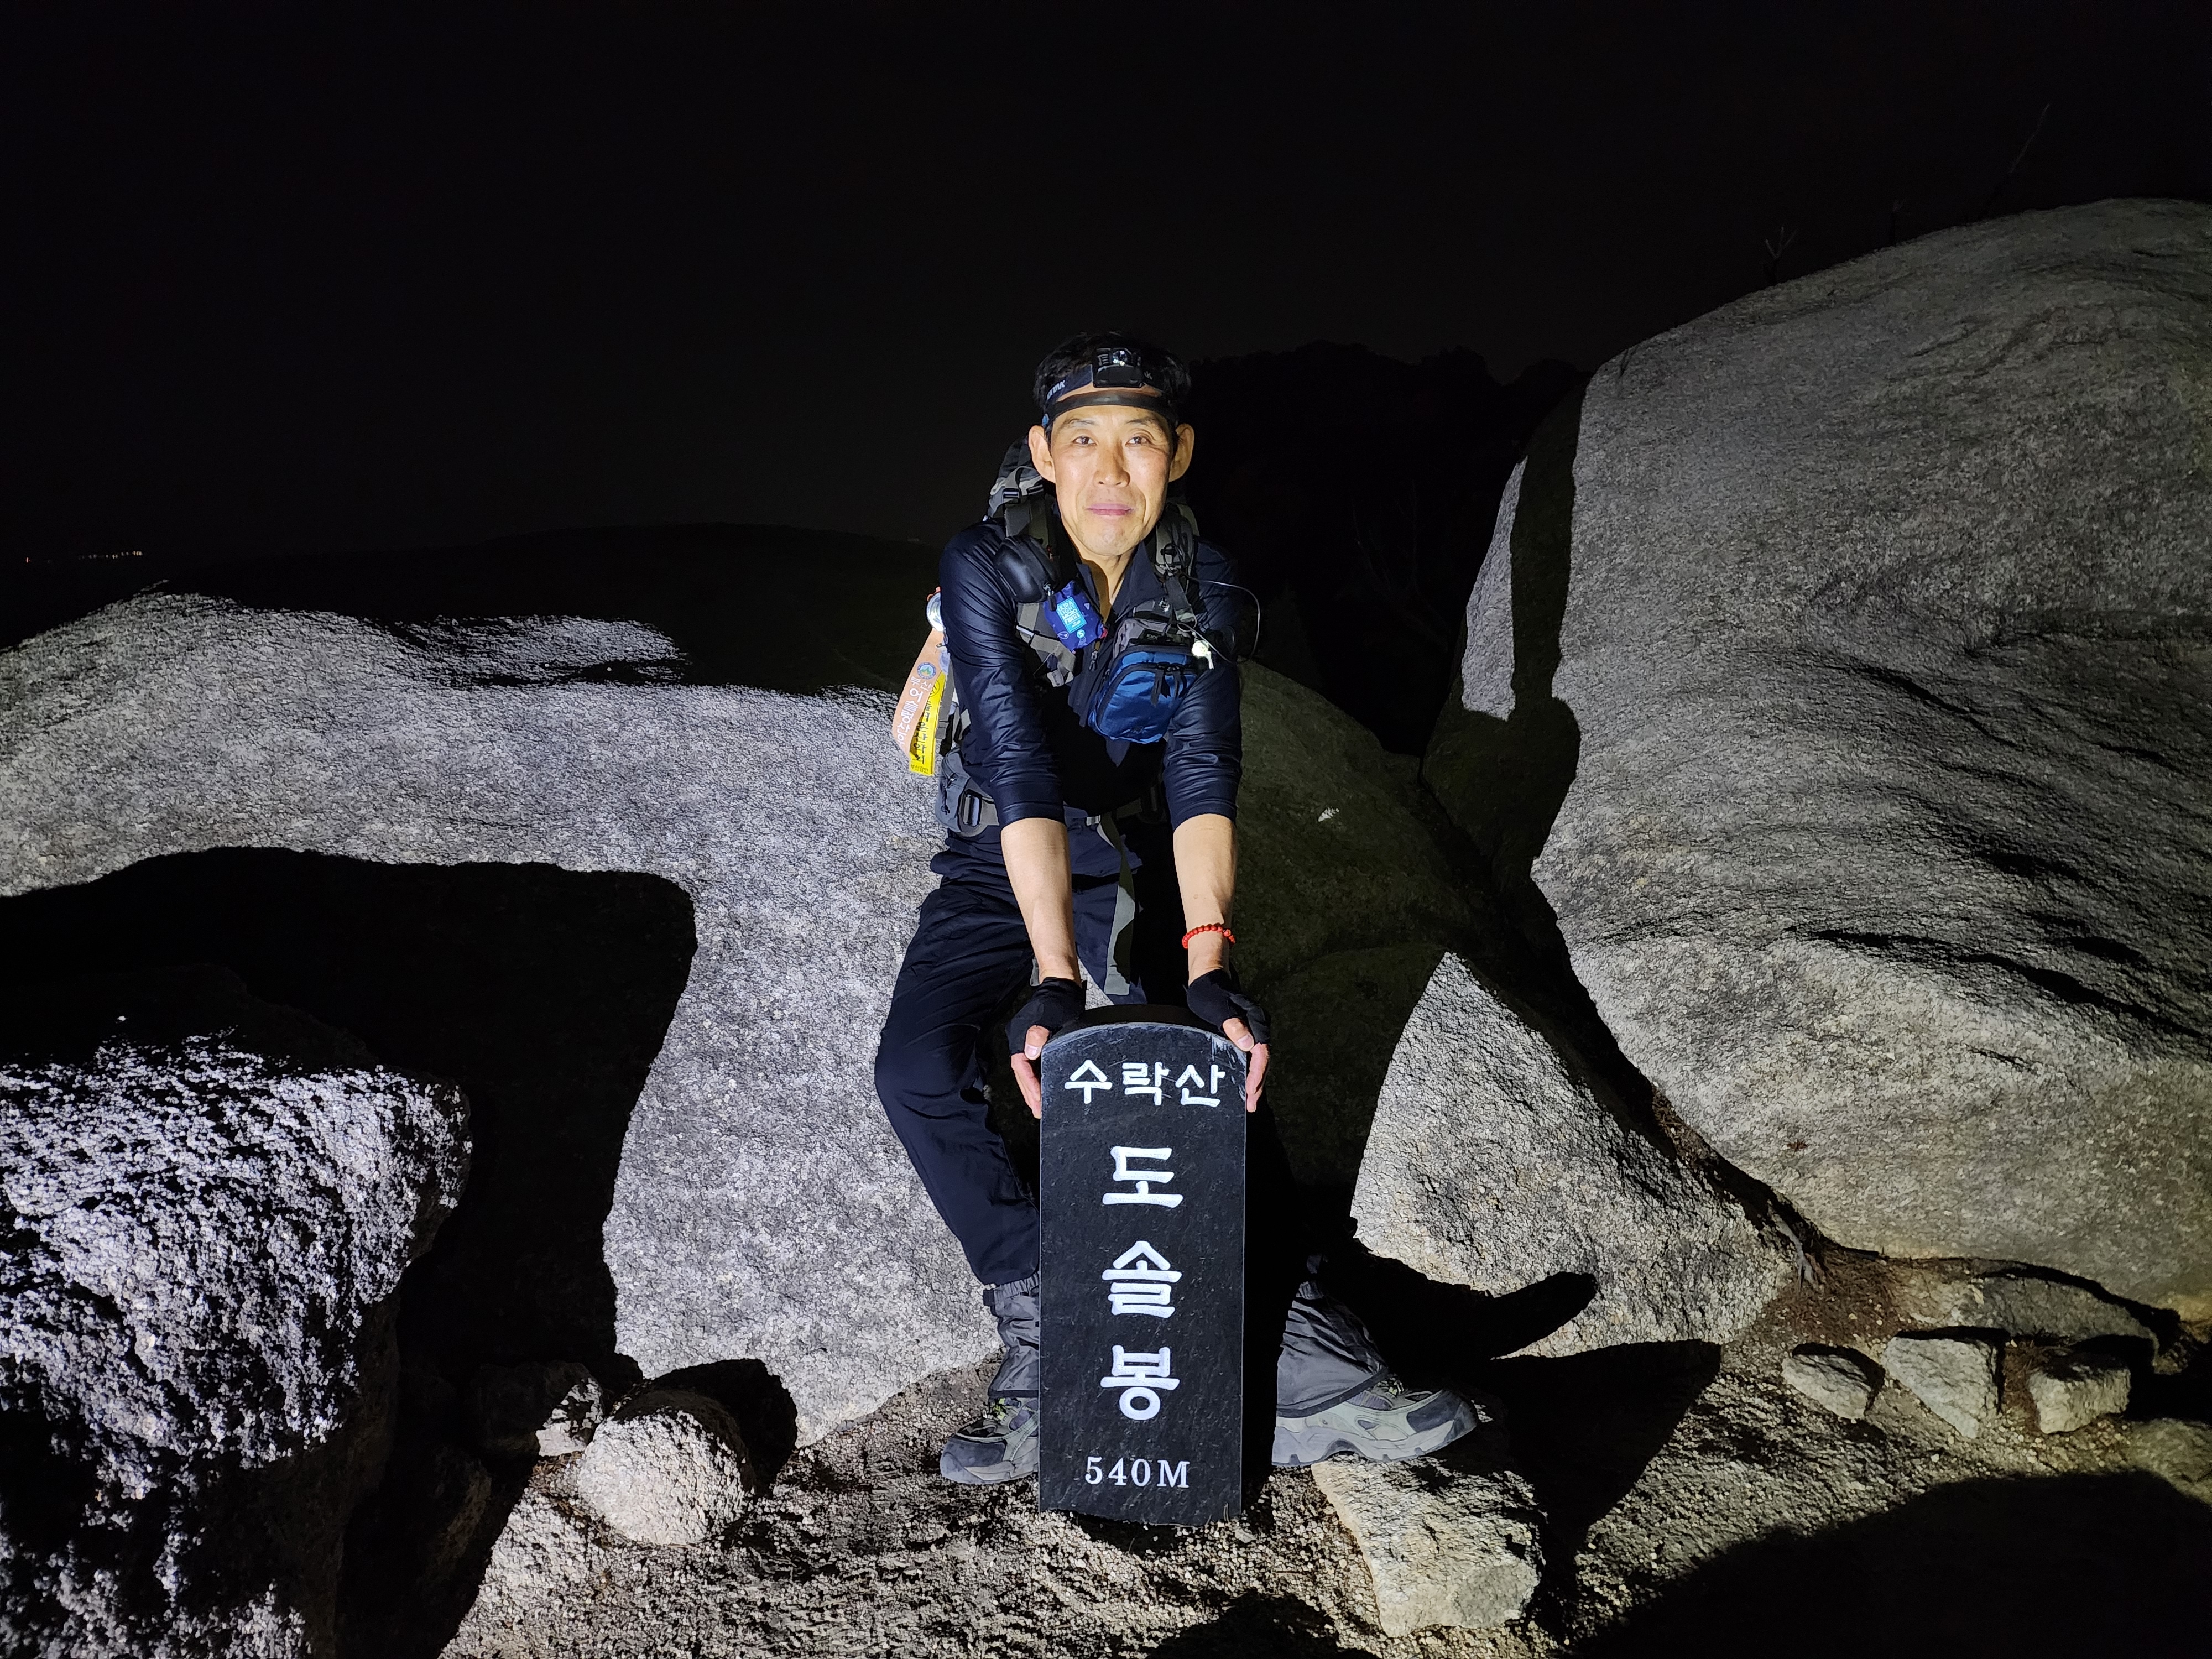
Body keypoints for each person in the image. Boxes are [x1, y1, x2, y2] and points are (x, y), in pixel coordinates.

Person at [874, 331, 1478, 1484]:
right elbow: (1016, 766)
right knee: (912, 1067)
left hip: (1132, 846)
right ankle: (1050, 1320)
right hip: (1004, 848)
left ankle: (1306, 1359)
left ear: (1180, 452)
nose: (1110, 471)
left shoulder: (1207, 584)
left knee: (1205, 1055)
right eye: (1083, 441)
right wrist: (1054, 977)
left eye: (1139, 440)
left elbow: (1202, 777)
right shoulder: (985, 565)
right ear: (1043, 454)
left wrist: (1209, 965)